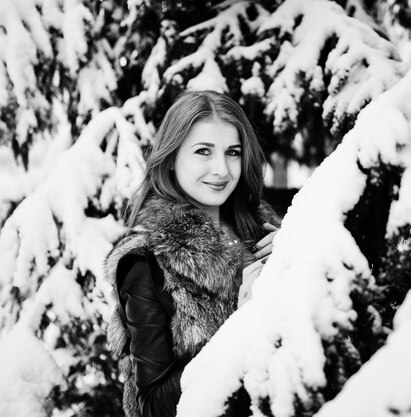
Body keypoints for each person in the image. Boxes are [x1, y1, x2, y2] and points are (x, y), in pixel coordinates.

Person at [105, 90, 280, 417]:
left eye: (232, 152)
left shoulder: (267, 235)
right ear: (171, 159)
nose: (221, 170)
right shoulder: (146, 262)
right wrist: (238, 326)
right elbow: (152, 405)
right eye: (203, 151)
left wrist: (298, 257)